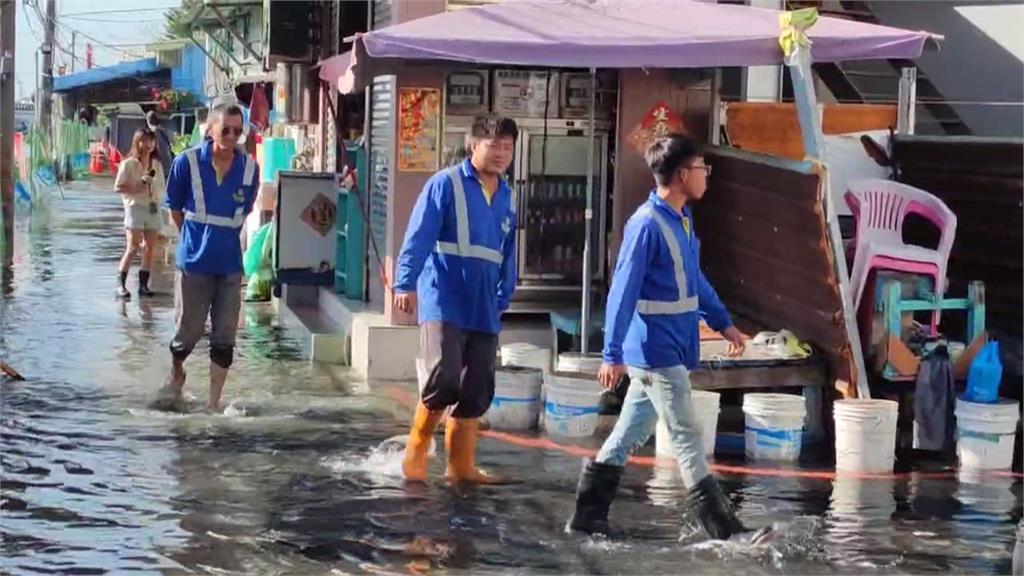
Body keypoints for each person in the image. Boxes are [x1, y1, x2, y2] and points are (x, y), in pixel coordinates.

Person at [567, 134, 766, 541]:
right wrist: (611, 354)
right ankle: (726, 532)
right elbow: (622, 291)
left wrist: (724, 323)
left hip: (668, 347)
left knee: (626, 435)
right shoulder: (645, 225)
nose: (706, 176)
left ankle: (587, 516)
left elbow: (695, 280)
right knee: (687, 437)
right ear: (680, 175)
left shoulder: (681, 220)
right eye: (701, 169)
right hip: (655, 352)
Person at [394, 114, 519, 484]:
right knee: (444, 378)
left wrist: (504, 292)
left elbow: (508, 251)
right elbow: (418, 235)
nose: (500, 154)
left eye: (507, 148)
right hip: (444, 297)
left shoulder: (509, 197)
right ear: (473, 145)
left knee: (478, 385)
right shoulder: (444, 184)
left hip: (484, 303)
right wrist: (405, 283)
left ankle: (460, 467)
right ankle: (415, 454)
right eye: (493, 145)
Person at [163, 104, 259, 413]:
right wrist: (193, 240)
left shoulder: (249, 169)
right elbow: (174, 208)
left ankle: (212, 405)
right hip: (194, 263)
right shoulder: (186, 163)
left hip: (230, 266)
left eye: (237, 130)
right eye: (225, 130)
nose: (232, 136)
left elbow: (244, 212)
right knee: (188, 333)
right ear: (210, 130)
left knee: (224, 338)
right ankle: (178, 370)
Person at [114, 128, 165, 299]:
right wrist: (136, 188)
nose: (149, 144)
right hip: (135, 207)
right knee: (133, 246)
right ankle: (121, 284)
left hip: (152, 207)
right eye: (145, 140)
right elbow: (118, 187)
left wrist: (156, 196)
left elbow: (162, 186)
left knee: (150, 247)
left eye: (151, 141)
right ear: (138, 142)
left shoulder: (156, 165)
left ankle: (143, 285)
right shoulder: (128, 164)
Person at [146, 110, 174, 177]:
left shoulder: (152, 133)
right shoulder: (165, 131)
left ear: (148, 121)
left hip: (159, 167)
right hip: (168, 164)